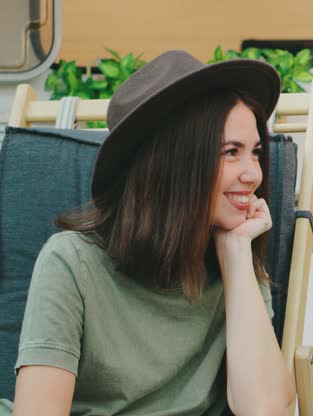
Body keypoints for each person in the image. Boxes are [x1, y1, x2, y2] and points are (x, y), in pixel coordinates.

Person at [1, 51, 296, 415]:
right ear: (173, 163)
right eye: (231, 152)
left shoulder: (237, 259)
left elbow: (265, 409)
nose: (254, 174)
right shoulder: (72, 263)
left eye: (256, 152)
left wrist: (236, 254)